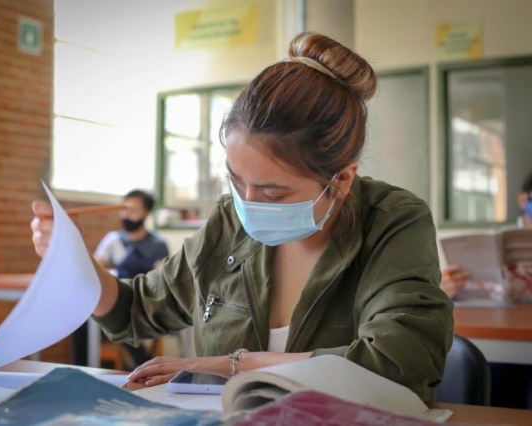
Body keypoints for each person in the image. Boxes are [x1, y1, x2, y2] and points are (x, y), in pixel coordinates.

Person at [31, 31, 453, 401]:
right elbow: (135, 310)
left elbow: (402, 359)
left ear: (341, 179)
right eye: (236, 181)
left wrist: (229, 364)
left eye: (273, 192)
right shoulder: (228, 222)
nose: (248, 202)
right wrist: (77, 264)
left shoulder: (392, 221)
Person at [441, 170, 532, 409]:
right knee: (487, 378)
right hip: (492, 332)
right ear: (523, 200)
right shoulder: (502, 239)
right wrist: (444, 289)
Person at [71, 189, 170, 367]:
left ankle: (144, 365)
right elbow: (95, 266)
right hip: (115, 298)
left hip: (143, 303)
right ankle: (81, 369)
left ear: (146, 213)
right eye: (123, 209)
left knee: (124, 319)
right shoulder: (113, 239)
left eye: (132, 210)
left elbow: (163, 277)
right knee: (81, 322)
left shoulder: (157, 244)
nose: (126, 215)